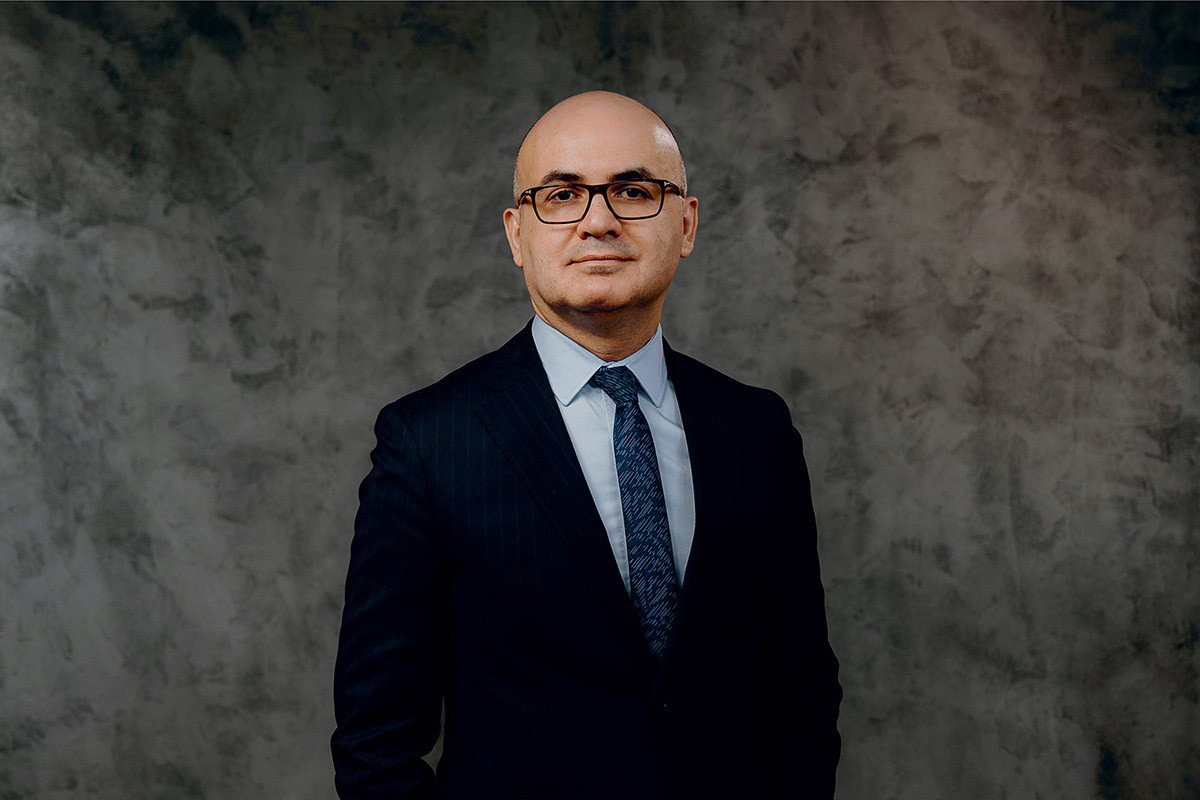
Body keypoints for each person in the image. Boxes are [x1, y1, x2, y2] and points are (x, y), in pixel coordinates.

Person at [331, 91, 842, 800]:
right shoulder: (427, 442)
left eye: (634, 191)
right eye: (562, 195)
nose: (598, 221)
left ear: (686, 224)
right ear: (517, 234)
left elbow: (802, 692)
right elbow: (376, 743)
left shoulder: (757, 431)